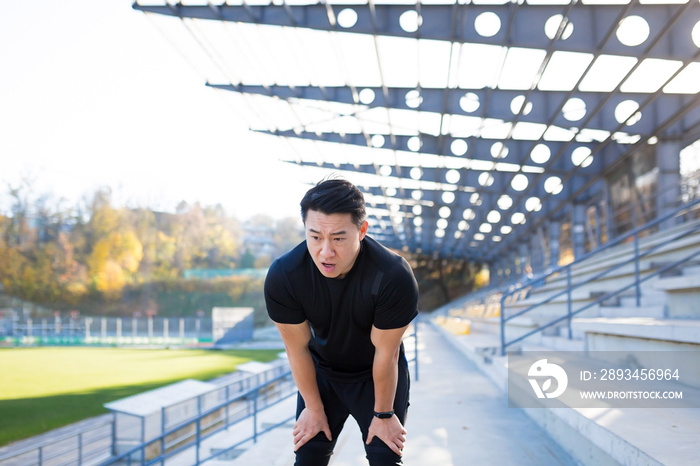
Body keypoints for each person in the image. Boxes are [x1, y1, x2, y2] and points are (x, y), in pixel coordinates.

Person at [264, 178, 419, 466]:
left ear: (362, 231)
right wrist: (312, 407)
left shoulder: (392, 275)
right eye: (315, 237)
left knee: (385, 457)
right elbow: (296, 349)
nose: (325, 252)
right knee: (308, 456)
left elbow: (388, 352)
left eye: (338, 238)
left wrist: (384, 415)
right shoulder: (285, 276)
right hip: (322, 374)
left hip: (377, 374)